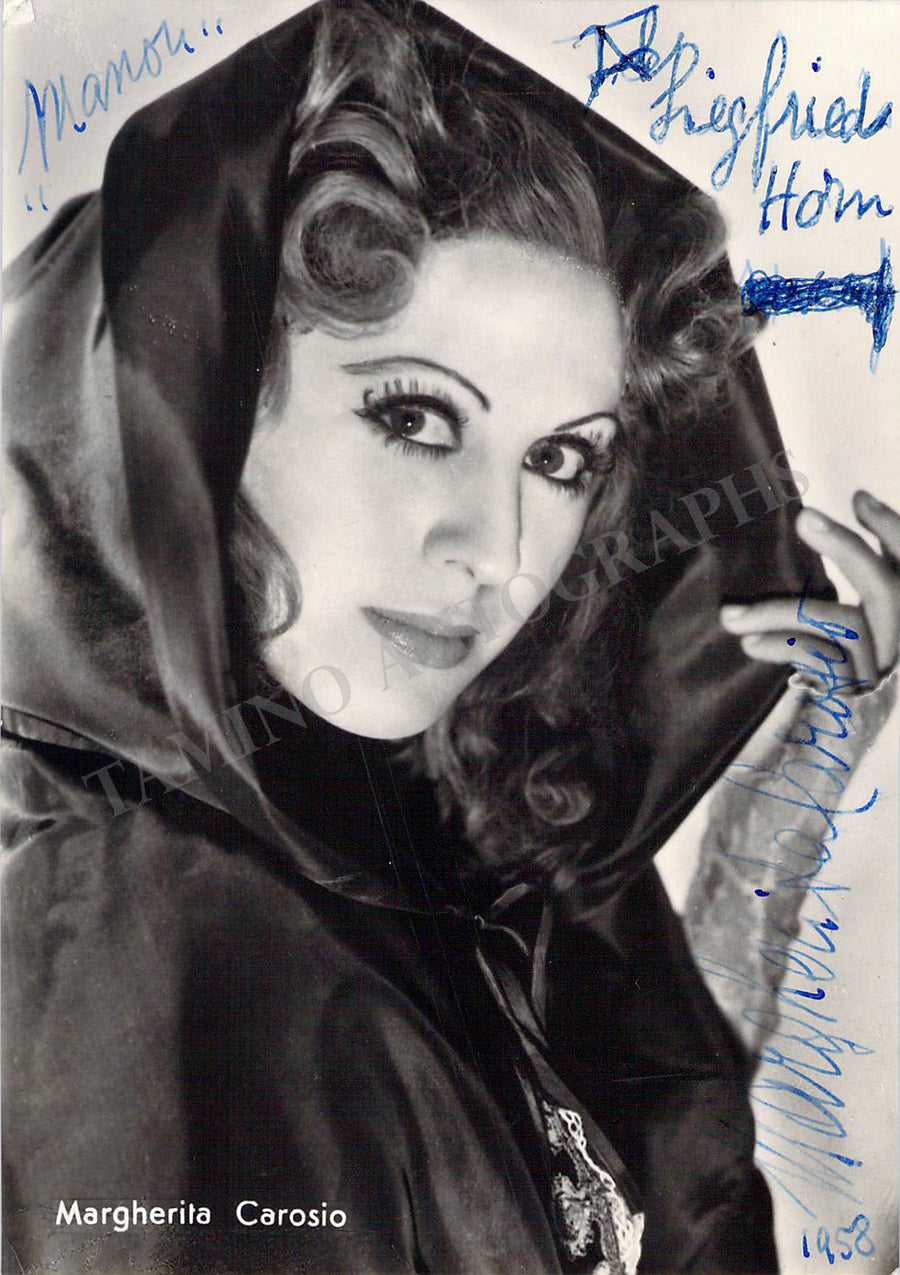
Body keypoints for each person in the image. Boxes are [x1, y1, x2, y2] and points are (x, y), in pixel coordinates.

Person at [3, 1, 898, 1272]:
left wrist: (762, 846)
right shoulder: (159, 945)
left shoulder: (384, 854)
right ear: (199, 409)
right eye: (415, 417)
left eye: (561, 459)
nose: (500, 549)